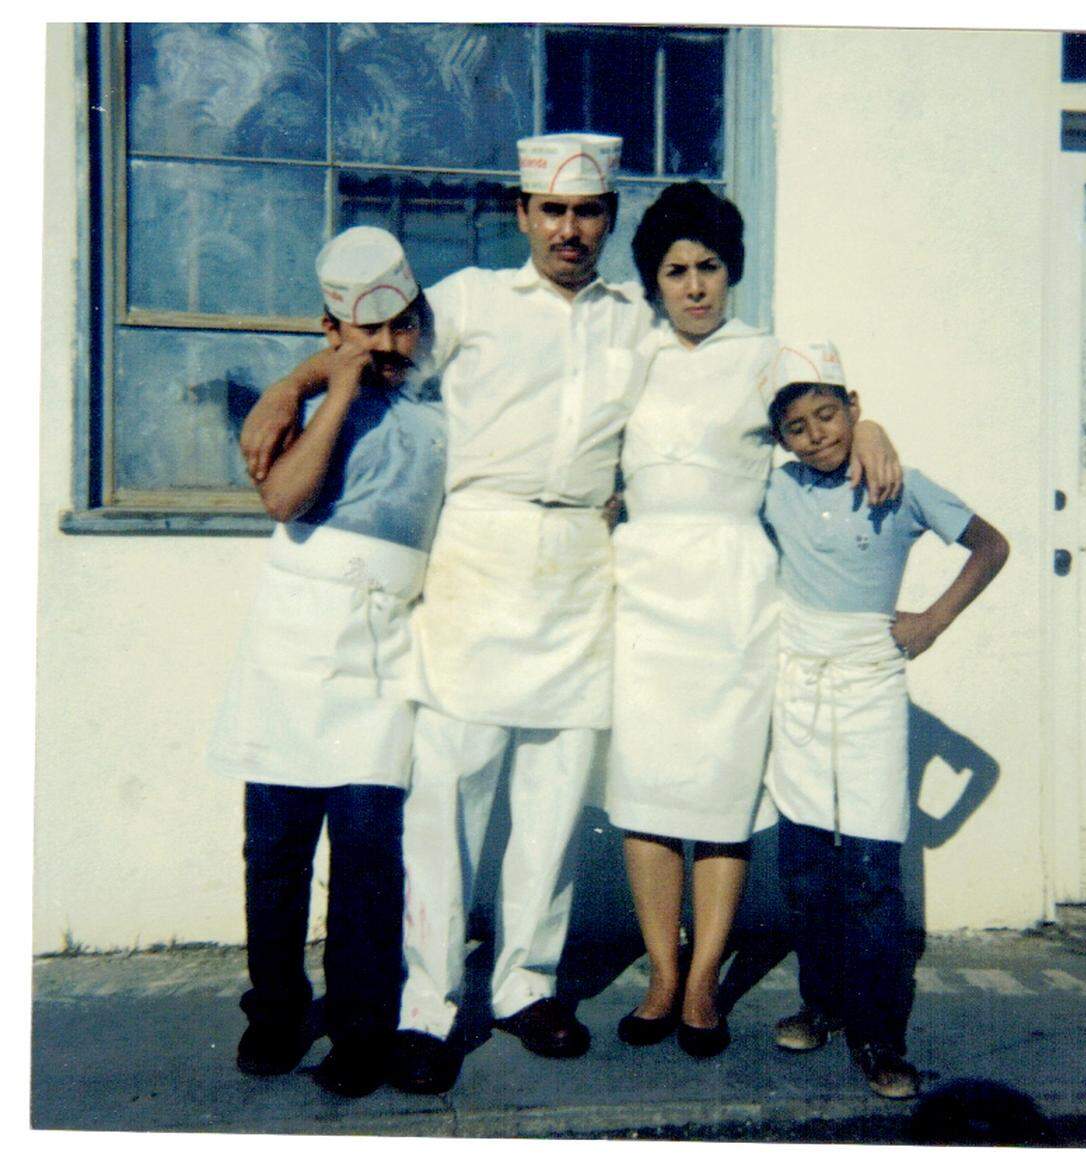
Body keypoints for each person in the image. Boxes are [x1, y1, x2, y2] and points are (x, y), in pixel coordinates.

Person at [240, 133, 654, 1095]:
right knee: (447, 800)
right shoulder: (465, 299)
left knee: (553, 797)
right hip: (476, 554)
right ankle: (428, 1006)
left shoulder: (636, 319)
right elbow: (367, 350)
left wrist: (866, 419)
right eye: (550, 211)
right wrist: (290, 382)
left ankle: (526, 985)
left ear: (609, 218)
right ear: (521, 214)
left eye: (587, 212)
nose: (568, 230)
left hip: (582, 566)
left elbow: (733, 381)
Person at [604, 183, 902, 1059]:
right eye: (675, 271)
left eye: (709, 268)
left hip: (733, 589)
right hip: (643, 585)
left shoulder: (763, 354)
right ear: (653, 281)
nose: (694, 286)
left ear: (730, 271)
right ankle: (663, 973)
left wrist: (875, 422)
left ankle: (704, 987)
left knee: (722, 790)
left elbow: (827, 414)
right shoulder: (633, 352)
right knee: (646, 789)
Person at [209, 227, 446, 1098]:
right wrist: (326, 382)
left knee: (366, 851)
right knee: (274, 850)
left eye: (402, 326)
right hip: (294, 644)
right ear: (329, 328)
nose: (388, 346)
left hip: (384, 653)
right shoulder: (317, 405)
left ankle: (359, 1029)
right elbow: (284, 497)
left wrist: (318, 369)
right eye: (364, 332)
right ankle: (274, 1011)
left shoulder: (442, 388)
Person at [761, 343, 1009, 1098]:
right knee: (804, 867)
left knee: (871, 873)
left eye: (830, 415)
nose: (818, 435)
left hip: (871, 680)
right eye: (797, 426)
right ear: (781, 439)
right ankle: (823, 1002)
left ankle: (880, 1037)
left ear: (854, 406)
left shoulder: (900, 486)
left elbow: (991, 544)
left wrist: (933, 620)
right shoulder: (775, 489)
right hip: (796, 682)